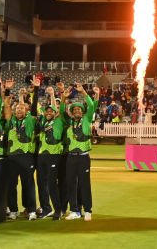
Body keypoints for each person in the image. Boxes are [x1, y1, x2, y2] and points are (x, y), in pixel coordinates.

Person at [3, 79, 38, 220]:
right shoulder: (10, 121)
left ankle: (31, 210)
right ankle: (13, 210)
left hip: (26, 156)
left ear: (26, 111)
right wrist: (7, 90)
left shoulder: (29, 121)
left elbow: (34, 108)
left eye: (22, 108)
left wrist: (36, 88)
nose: (19, 110)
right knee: (11, 185)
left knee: (28, 184)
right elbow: (6, 106)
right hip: (11, 157)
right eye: (17, 108)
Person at [64, 83, 100, 220]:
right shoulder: (69, 122)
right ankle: (74, 210)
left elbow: (91, 106)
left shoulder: (86, 119)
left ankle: (88, 210)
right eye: (75, 110)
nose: (77, 111)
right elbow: (62, 109)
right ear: (72, 112)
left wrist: (83, 92)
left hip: (83, 157)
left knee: (85, 183)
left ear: (82, 112)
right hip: (71, 157)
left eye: (79, 109)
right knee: (71, 184)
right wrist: (64, 97)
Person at [36, 84, 65, 220]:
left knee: (52, 184)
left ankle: (58, 210)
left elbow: (57, 109)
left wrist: (53, 95)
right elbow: (39, 110)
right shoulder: (43, 123)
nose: (48, 113)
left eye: (51, 111)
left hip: (54, 156)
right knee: (41, 183)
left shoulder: (58, 121)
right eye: (47, 111)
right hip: (42, 156)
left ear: (55, 113)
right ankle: (46, 209)